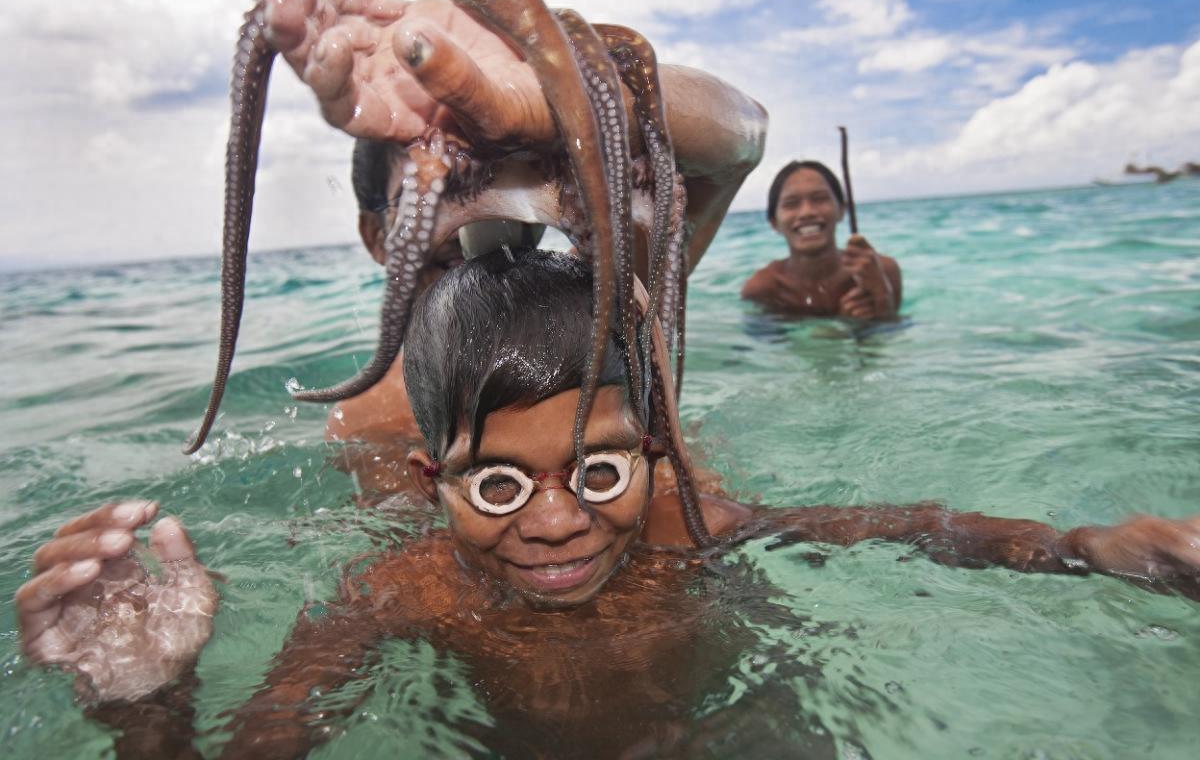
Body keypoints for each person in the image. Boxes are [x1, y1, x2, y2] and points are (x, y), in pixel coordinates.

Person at [16, 249, 1200, 758]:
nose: (552, 522)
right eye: (495, 483)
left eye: (597, 470)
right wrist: (150, 708)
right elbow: (268, 742)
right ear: (432, 487)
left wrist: (1085, 546)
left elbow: (908, 526)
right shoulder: (398, 588)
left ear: (654, 455)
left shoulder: (691, 522)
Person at [742, 160, 902, 320]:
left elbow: (893, 339)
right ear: (774, 222)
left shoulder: (881, 271)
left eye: (819, 199)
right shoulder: (763, 290)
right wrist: (842, 328)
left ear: (841, 209)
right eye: (791, 204)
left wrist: (882, 297)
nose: (807, 212)